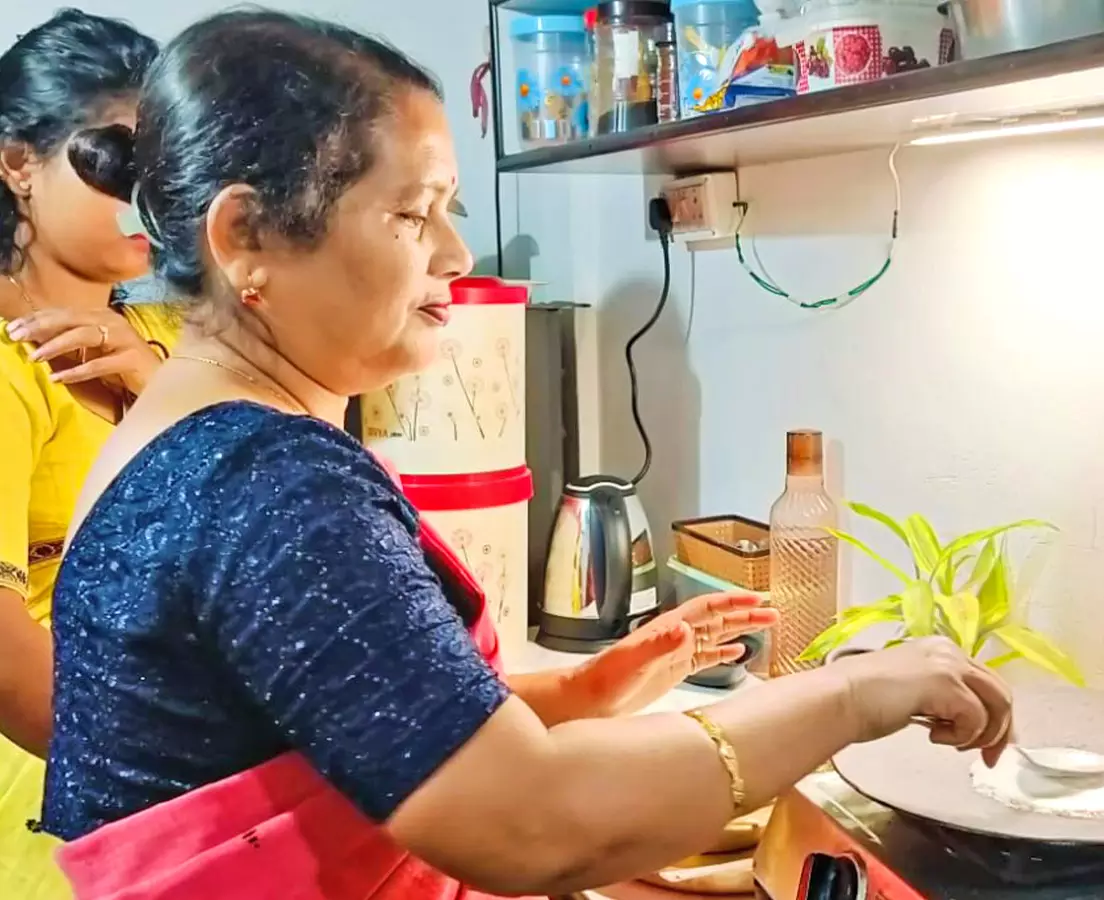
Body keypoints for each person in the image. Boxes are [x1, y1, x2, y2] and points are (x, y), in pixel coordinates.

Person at [43, 10, 1014, 899]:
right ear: (244, 235)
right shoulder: (267, 480)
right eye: (412, 213)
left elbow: (361, 717)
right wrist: (846, 692)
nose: (457, 254)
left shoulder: (185, 439)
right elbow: (532, 825)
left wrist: (586, 691)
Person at [0, 10, 168, 897]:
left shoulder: (169, 340)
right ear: (19, 163)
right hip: (58, 820)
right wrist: (169, 768)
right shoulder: (7, 371)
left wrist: (163, 385)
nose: (146, 200)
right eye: (113, 161)